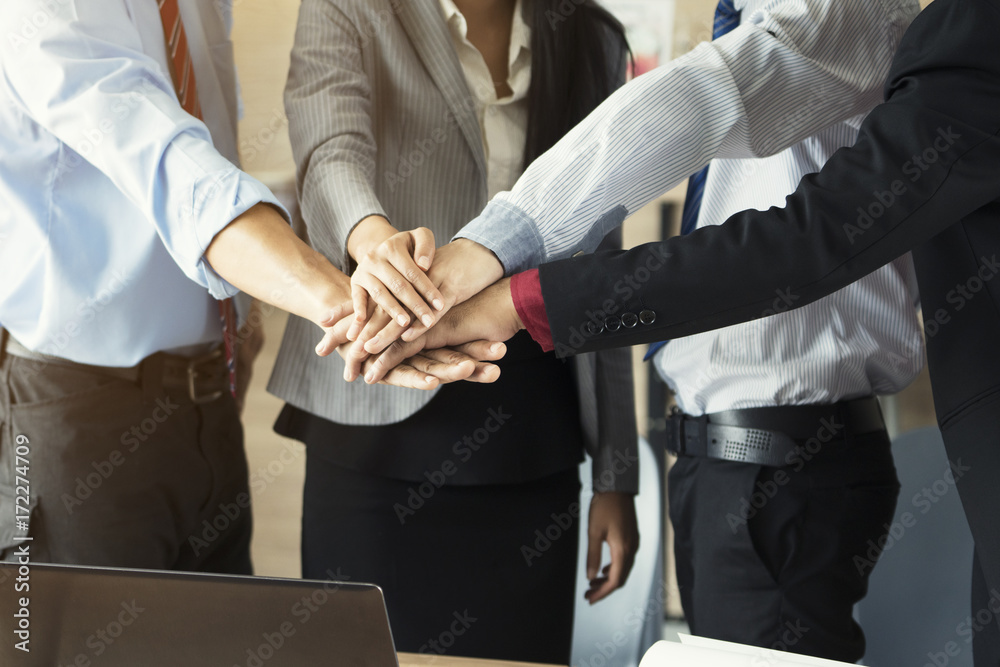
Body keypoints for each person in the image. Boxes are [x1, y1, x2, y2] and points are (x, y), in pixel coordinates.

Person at [362, 0, 1000, 662]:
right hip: (732, 455)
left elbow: (778, 216)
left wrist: (507, 282)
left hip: (784, 459)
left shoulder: (882, 16)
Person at [0, 0, 498, 573]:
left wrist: (330, 221)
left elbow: (208, 183)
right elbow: (177, 174)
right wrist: (358, 311)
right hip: (79, 416)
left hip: (208, 397)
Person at [266, 0, 638, 662]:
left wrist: (616, 474)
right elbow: (328, 150)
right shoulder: (351, 7)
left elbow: (601, 259)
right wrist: (371, 240)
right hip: (378, 418)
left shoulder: (590, 36)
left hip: (531, 435)